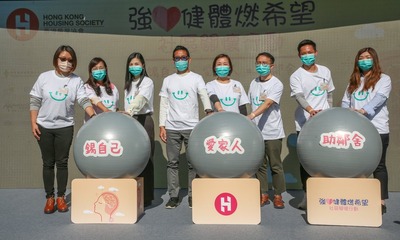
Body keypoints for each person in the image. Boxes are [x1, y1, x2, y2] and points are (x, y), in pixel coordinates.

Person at [30, 45, 96, 214]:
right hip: (44, 127)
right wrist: (33, 122)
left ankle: (60, 197)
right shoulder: (44, 77)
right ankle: (49, 198)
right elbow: (35, 101)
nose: (66, 63)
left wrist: (93, 116)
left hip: (65, 127)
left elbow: (84, 100)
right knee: (48, 163)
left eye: (70, 60)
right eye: (63, 59)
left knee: (62, 162)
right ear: (56, 60)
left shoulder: (76, 80)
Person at [159, 45, 213, 209]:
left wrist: (208, 110)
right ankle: (173, 196)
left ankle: (192, 195)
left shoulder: (196, 78)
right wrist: (162, 125)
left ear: (189, 59)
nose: (180, 61)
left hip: (192, 127)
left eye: (183, 58)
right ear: (173, 61)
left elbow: (204, 95)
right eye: (177, 58)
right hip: (172, 127)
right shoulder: (168, 80)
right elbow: (164, 103)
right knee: (172, 163)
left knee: (192, 163)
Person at [341, 47, 391, 214]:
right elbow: (345, 102)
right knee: (357, 165)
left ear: (374, 60)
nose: (364, 60)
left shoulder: (384, 79)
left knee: (379, 165)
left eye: (368, 57)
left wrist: (363, 111)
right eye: (361, 57)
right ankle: (357, 197)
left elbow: (380, 98)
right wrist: (345, 115)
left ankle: (381, 201)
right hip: (357, 132)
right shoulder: (354, 81)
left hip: (377, 128)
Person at [289, 39, 335, 209]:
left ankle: (326, 194)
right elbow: (299, 96)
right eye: (304, 54)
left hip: (324, 124)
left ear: (316, 52)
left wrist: (329, 113)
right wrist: (311, 110)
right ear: (299, 56)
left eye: (310, 52)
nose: (307, 56)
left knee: (326, 159)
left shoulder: (325, 71)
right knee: (307, 161)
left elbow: (329, 94)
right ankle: (307, 196)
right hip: (305, 123)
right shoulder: (296, 75)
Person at [248, 52, 286, 209]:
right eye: (258, 62)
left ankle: (278, 195)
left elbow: (268, 103)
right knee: (260, 165)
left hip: (273, 131)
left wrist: (252, 115)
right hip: (257, 132)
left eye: (264, 63)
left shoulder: (277, 84)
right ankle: (263, 194)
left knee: (275, 165)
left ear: (272, 66)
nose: (261, 66)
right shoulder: (253, 82)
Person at [124, 52, 155, 207]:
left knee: (146, 158)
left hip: (144, 120)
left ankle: (147, 196)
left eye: (137, 64)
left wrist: (129, 111)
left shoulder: (147, 82)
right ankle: (134, 194)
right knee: (132, 158)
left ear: (143, 65)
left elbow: (141, 99)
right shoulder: (128, 85)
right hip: (131, 121)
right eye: (131, 64)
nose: (134, 67)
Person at [84, 57, 119, 121]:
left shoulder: (113, 88)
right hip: (95, 124)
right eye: (95, 69)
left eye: (101, 68)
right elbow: (93, 99)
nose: (98, 71)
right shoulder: (87, 86)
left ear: (106, 69)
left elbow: (115, 108)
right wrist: (105, 110)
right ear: (91, 72)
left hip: (111, 124)